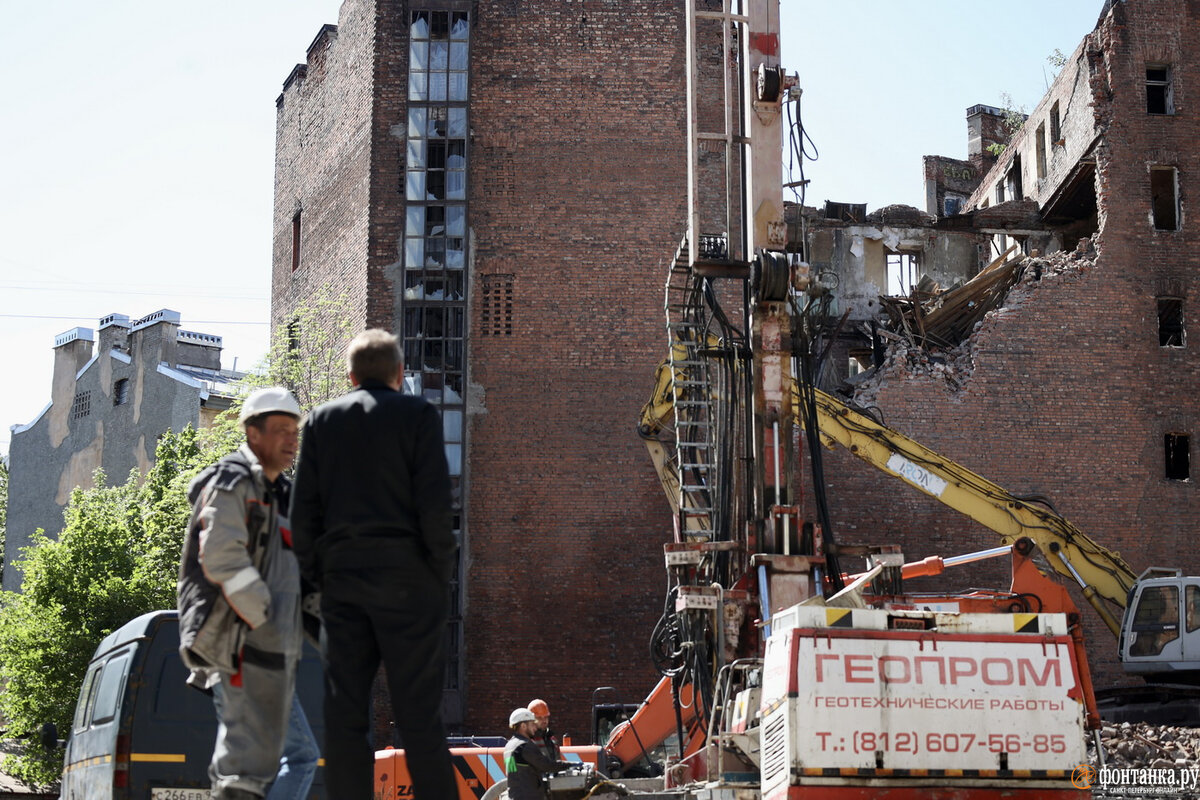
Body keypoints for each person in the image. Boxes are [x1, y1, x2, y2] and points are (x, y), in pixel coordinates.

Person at [291, 328, 459, 800]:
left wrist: (318, 583)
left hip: (343, 585)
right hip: (409, 580)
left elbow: (302, 517)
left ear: (350, 377)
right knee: (420, 719)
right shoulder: (419, 416)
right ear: (399, 373)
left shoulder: (321, 422)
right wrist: (436, 575)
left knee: (345, 721)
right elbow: (435, 507)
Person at [177, 387, 318, 800]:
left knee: (288, 758)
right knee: (245, 771)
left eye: (295, 430)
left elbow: (304, 576)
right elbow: (221, 555)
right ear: (252, 434)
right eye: (281, 430)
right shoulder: (233, 480)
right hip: (241, 647)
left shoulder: (284, 496)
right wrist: (264, 618)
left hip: (270, 653)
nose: (292, 440)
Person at [504, 709, 574, 800]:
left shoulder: (509, 746)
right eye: (532, 724)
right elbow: (546, 765)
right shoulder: (524, 745)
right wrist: (569, 765)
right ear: (523, 726)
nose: (535, 728)